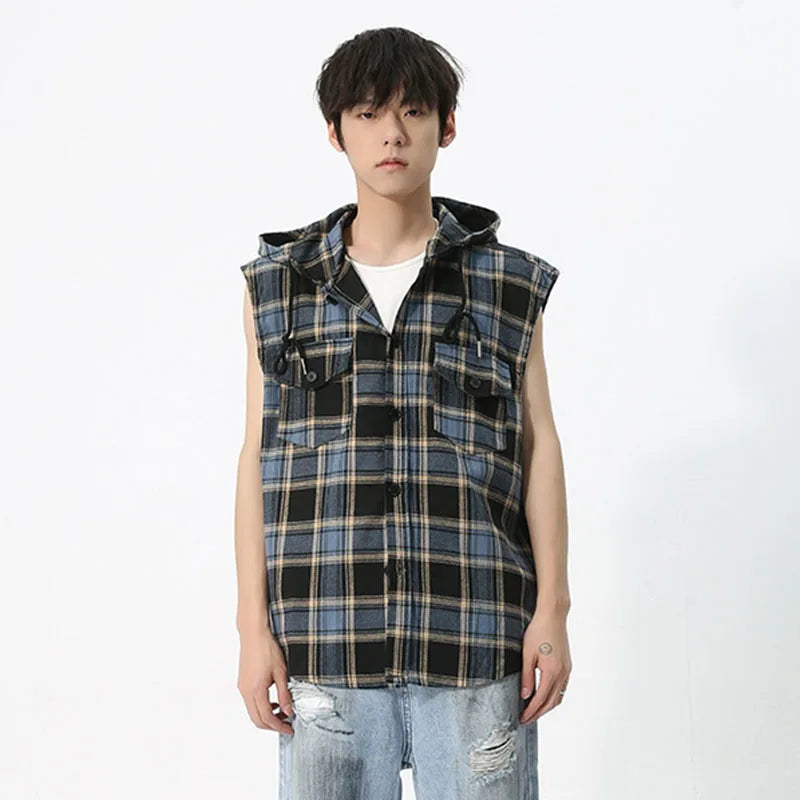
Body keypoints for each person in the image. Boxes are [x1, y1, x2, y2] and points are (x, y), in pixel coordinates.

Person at [234, 26, 571, 800]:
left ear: (446, 126)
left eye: (413, 111)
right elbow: (256, 457)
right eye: (367, 113)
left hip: (477, 641)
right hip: (326, 643)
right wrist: (253, 630)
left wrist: (552, 611)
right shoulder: (277, 288)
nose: (391, 133)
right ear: (335, 131)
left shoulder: (508, 284)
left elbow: (540, 446)